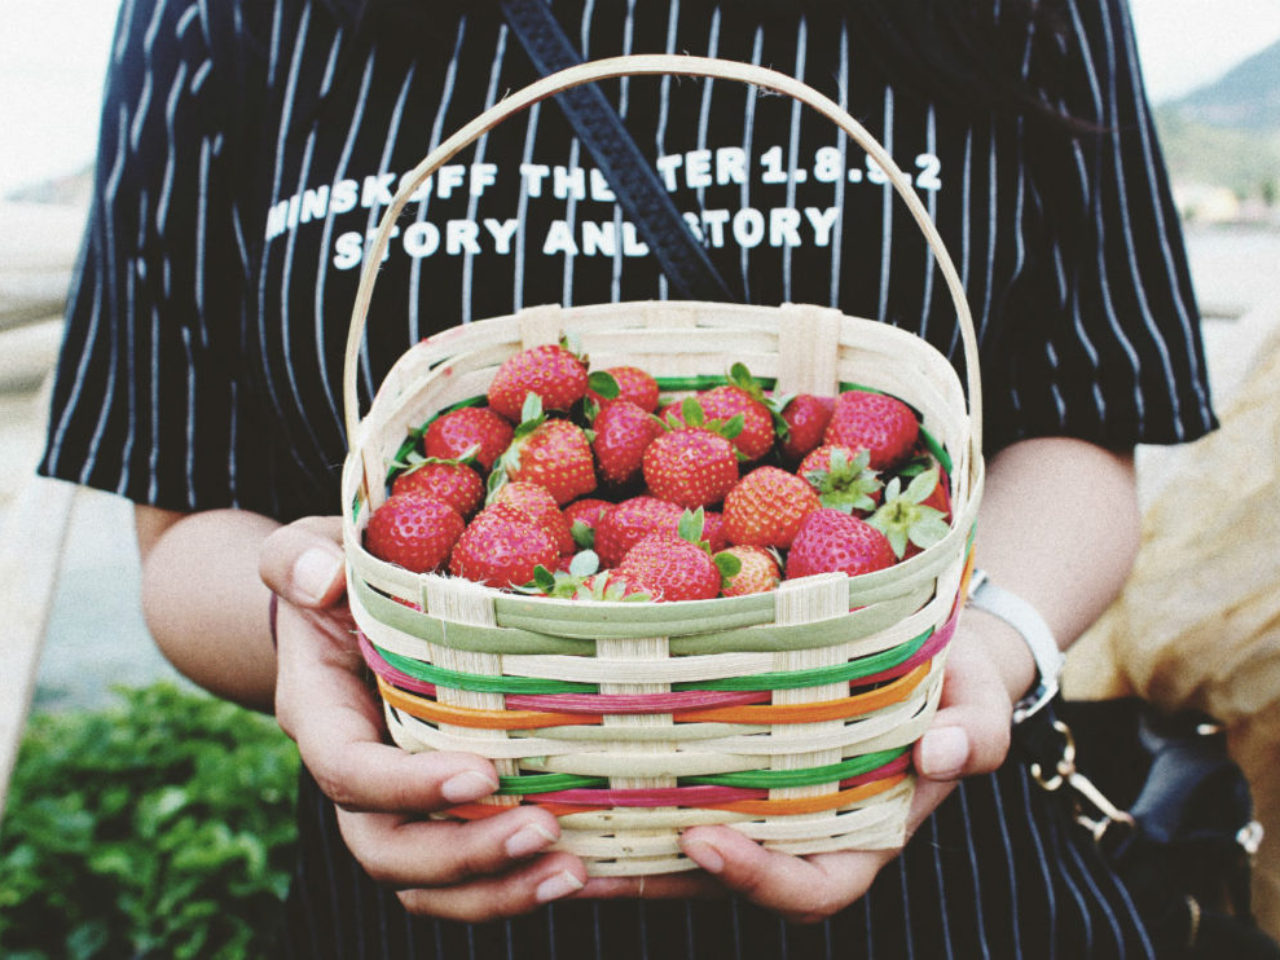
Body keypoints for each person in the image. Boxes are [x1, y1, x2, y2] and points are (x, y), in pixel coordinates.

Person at [39, 0, 1219, 955]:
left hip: (938, 885)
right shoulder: (222, 18)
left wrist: (986, 643)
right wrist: (332, 623)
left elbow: (1082, 430)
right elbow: (184, 522)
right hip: (433, 891)